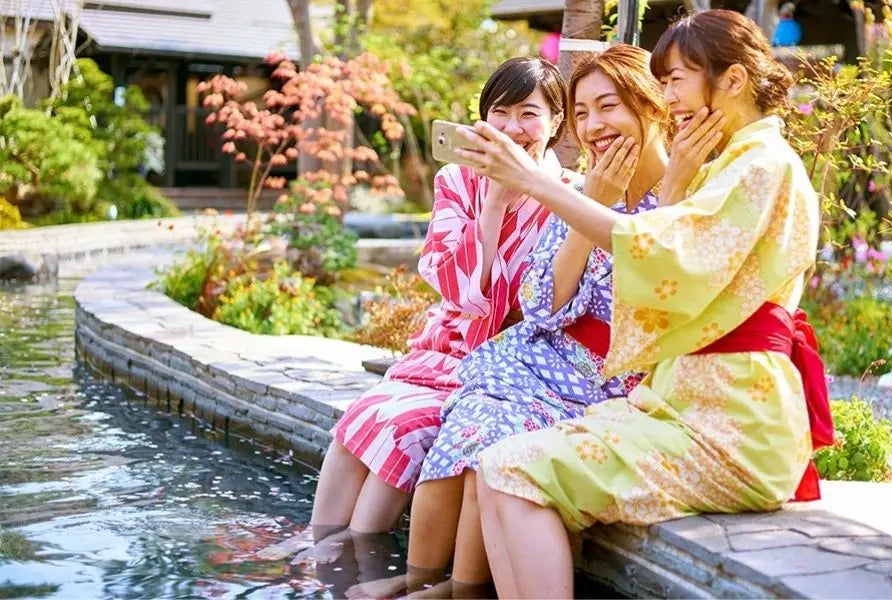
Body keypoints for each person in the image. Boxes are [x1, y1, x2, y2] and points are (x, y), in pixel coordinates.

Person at [454, 9, 834, 599]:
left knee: (512, 470)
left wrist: (535, 183)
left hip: (729, 426)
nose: (670, 97)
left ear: (731, 81)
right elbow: (657, 268)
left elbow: (659, 252)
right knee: (498, 460)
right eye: (581, 113)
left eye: (677, 79)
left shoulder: (761, 166)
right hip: (694, 406)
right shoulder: (740, 165)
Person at [347, 45, 673, 600]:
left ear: (652, 107)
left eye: (609, 107)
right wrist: (592, 201)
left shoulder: (676, 197)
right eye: (586, 111)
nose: (594, 126)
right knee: (468, 425)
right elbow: (542, 300)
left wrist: (593, 204)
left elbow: (651, 292)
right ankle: (430, 578)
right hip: (539, 356)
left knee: (492, 450)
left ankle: (461, 588)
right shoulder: (587, 187)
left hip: (606, 374)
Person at [272, 57, 577, 566]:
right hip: (448, 343)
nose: (513, 129)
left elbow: (537, 297)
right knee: (362, 414)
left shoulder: (566, 193)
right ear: (482, 119)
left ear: (555, 123)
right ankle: (319, 539)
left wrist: (505, 204)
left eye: (530, 114)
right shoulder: (458, 179)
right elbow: (452, 285)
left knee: (405, 426)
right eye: (500, 113)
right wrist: (494, 206)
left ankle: (351, 558)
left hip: (504, 357)